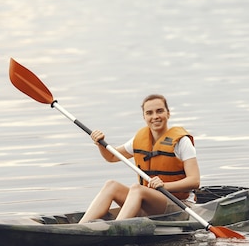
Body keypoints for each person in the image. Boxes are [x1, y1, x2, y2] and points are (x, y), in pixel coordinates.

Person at [79, 94, 200, 223]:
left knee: (137, 189)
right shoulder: (139, 139)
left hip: (181, 205)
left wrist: (165, 185)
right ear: (144, 117)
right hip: (150, 202)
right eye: (149, 113)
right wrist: (100, 143)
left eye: (159, 111)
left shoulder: (182, 141)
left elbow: (194, 181)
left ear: (168, 114)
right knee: (111, 185)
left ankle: (116, 228)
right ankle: (80, 227)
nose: (155, 117)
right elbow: (112, 156)